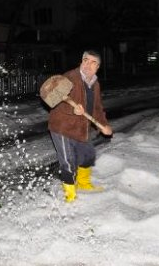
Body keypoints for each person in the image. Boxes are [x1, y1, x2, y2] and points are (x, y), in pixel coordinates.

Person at [47, 50, 113, 202]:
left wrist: (104, 125)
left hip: (80, 127)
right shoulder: (69, 78)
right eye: (86, 60)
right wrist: (72, 108)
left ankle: (83, 183)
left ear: (98, 67)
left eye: (93, 62)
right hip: (62, 126)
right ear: (81, 61)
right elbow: (52, 98)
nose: (88, 65)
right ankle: (70, 195)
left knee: (88, 155)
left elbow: (97, 108)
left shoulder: (94, 84)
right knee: (68, 161)